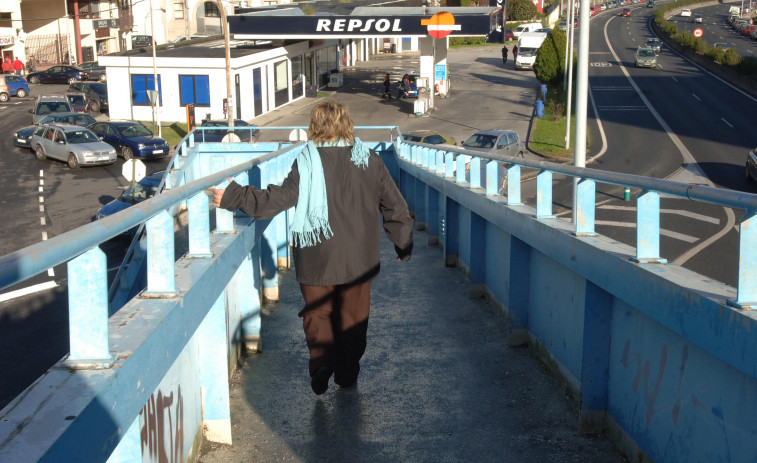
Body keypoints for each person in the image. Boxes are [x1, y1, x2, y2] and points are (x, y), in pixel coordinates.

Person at [213, 99, 414, 395]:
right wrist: (403, 243)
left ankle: (320, 364)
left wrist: (234, 196)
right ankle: (346, 374)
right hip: (359, 260)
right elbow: (394, 205)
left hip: (316, 255)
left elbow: (276, 199)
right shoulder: (369, 160)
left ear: (315, 126)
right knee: (353, 319)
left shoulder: (306, 162)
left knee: (316, 314)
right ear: (347, 123)